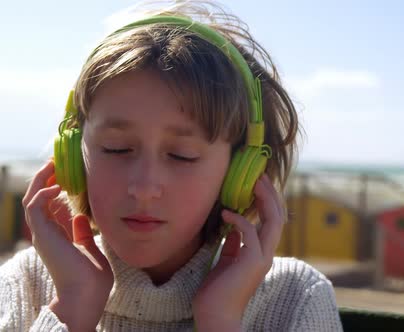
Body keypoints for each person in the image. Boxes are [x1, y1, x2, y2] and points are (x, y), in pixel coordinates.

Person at [0, 1, 343, 331]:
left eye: (182, 155)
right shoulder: (24, 284)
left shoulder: (295, 297)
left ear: (241, 174)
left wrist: (220, 321)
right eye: (116, 149)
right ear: (72, 156)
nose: (144, 187)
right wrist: (72, 309)